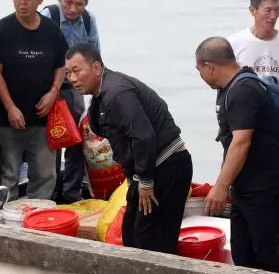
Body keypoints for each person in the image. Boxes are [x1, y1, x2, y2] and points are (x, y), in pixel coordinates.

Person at [65, 43, 192, 252]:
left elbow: (144, 137)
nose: (72, 79)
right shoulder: (100, 95)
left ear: (96, 67)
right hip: (145, 169)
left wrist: (145, 181)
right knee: (130, 235)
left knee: (150, 240)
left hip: (166, 165)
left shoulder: (117, 93)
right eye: (69, 73)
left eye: (77, 71)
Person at [195, 37, 279, 274]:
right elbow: (230, 141)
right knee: (242, 250)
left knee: (265, 251)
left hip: (268, 185)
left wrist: (221, 186)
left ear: (209, 66)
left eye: (199, 69)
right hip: (246, 185)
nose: (199, 75)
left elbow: (241, 142)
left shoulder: (243, 89)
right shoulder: (229, 88)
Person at [0, 0, 69, 200]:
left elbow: (60, 65)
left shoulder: (52, 31)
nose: (22, 2)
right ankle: (5, 224)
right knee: (8, 175)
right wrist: (10, 107)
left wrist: (53, 92)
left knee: (45, 174)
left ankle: (38, 222)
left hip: (43, 119)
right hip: (7, 121)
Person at [42, 0, 100, 203]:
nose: (73, 8)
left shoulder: (88, 20)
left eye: (79, 3)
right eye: (68, 2)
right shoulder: (49, 16)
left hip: (76, 87)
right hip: (49, 86)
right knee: (52, 139)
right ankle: (51, 191)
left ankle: (72, 193)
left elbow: (95, 56)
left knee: (76, 137)